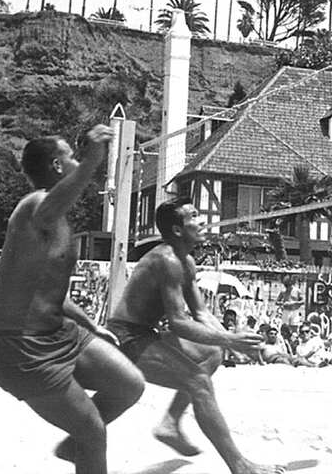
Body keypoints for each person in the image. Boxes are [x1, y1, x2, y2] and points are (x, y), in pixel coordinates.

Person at [0, 127, 145, 474]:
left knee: (129, 385)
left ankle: (75, 445)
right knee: (94, 432)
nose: (76, 161)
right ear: (58, 166)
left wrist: (93, 326)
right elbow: (55, 201)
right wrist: (93, 160)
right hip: (22, 350)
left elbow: (52, 292)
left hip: (60, 333)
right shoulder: (35, 206)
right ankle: (85, 440)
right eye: (70, 157)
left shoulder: (57, 218)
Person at [106, 199, 279, 474]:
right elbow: (178, 323)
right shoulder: (166, 260)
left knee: (212, 352)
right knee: (198, 381)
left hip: (146, 332)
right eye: (195, 216)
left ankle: (170, 423)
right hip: (125, 337)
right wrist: (230, 340)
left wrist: (233, 340)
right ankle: (240, 466)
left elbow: (200, 313)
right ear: (177, 229)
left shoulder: (185, 260)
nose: (203, 221)